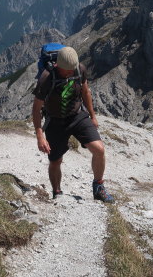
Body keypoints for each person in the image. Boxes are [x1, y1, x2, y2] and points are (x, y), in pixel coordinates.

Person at [32, 46, 114, 203]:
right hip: (55, 121)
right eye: (66, 70)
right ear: (58, 65)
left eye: (72, 69)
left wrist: (92, 116)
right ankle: (57, 192)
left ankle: (98, 187)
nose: (70, 72)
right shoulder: (47, 77)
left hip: (77, 116)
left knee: (99, 150)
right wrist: (39, 136)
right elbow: (36, 109)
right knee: (55, 161)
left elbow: (86, 92)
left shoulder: (79, 69)